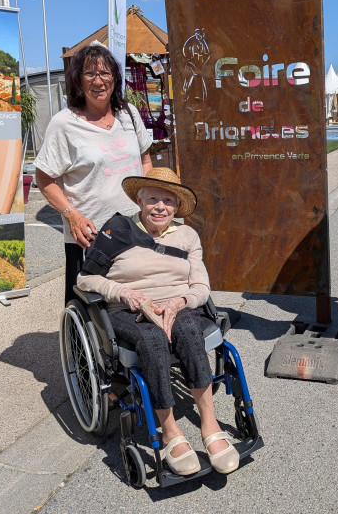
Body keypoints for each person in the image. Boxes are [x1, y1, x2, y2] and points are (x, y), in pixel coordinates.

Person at [76, 168, 240, 476]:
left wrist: (180, 303)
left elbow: (201, 287)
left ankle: (210, 425)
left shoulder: (188, 235)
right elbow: (85, 279)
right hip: (127, 309)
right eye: (153, 199)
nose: (160, 207)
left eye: (168, 200)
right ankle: (170, 431)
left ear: (177, 206)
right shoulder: (117, 230)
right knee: (151, 339)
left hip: (178, 307)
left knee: (190, 330)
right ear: (139, 200)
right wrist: (123, 292)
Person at [34, 43, 152, 304]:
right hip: (91, 238)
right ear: (78, 80)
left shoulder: (129, 115)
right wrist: (72, 217)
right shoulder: (65, 124)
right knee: (92, 308)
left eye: (105, 74)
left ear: (115, 78)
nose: (98, 81)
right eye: (90, 74)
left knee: (136, 303)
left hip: (134, 228)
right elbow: (44, 179)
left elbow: (145, 159)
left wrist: (148, 203)